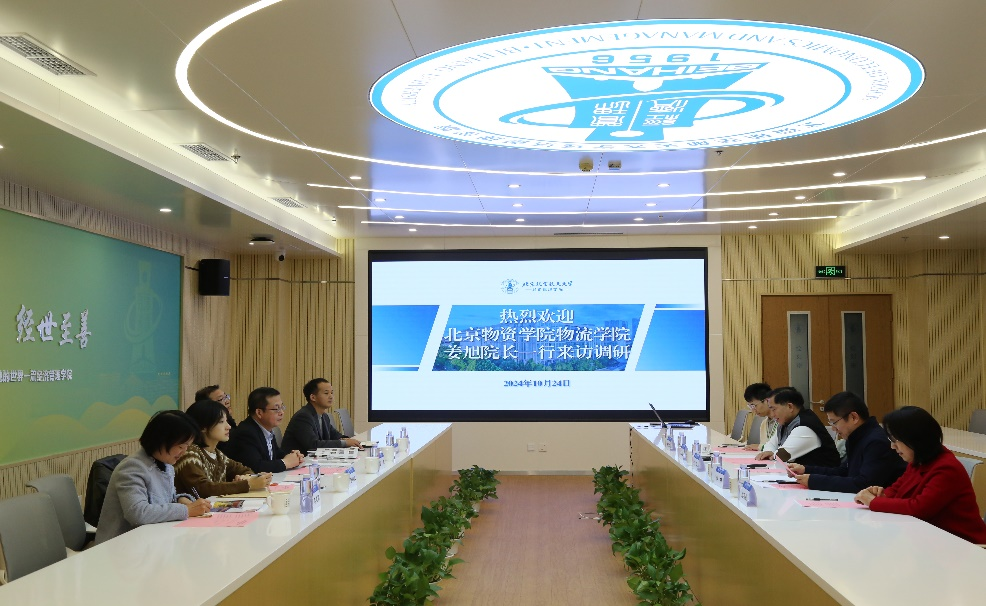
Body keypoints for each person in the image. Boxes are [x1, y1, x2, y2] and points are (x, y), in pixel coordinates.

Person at [855, 406, 986, 543]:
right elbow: (897, 489)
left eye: (895, 440)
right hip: (932, 539)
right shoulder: (919, 461)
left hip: (964, 544)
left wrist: (873, 501)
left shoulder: (947, 468)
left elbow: (919, 508)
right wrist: (880, 494)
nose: (893, 446)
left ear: (914, 439)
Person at [94, 410, 211, 544]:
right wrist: (186, 510)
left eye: (187, 447)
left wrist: (181, 499)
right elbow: (137, 513)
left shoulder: (166, 465)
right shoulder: (132, 467)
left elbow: (165, 500)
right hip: (122, 545)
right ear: (161, 440)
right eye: (181, 446)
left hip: (153, 539)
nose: (184, 452)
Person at [789, 391, 906, 492]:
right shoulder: (856, 436)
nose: (833, 428)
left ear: (854, 417)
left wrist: (813, 481)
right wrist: (806, 470)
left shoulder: (876, 442)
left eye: (834, 422)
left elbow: (864, 484)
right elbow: (844, 471)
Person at [175, 399, 273, 498]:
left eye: (227, 421)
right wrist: (248, 484)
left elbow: (244, 470)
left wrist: (246, 477)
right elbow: (203, 489)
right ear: (203, 427)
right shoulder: (189, 454)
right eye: (221, 422)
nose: (228, 427)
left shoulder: (218, 454)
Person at [223, 387, 304, 473]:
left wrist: (293, 456)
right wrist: (286, 463)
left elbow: (276, 454)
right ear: (259, 413)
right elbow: (256, 467)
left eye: (282, 407)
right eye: (276, 408)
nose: (281, 412)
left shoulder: (266, 428)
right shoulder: (246, 433)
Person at [755, 387, 840, 467]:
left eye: (774, 409)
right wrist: (770, 452)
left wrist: (772, 454)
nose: (772, 414)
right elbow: (770, 444)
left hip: (822, 475)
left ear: (790, 407)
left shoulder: (805, 425)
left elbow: (783, 455)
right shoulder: (785, 422)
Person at [282, 378, 361, 453]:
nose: (331, 396)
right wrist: (344, 443)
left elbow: (335, 435)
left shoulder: (324, 416)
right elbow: (313, 445)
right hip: (299, 460)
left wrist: (347, 440)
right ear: (313, 397)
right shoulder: (303, 417)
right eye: (326, 393)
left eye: (332, 393)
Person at [742, 382, 776, 451]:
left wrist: (760, 446)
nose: (753, 410)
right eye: (750, 406)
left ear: (767, 401)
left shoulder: (783, 422)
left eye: (754, 405)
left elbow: (783, 449)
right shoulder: (764, 423)